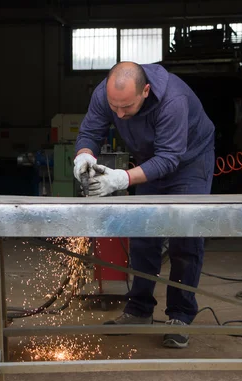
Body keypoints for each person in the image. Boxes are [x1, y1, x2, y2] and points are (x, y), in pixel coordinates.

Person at [73, 61, 215, 349]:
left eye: (126, 107)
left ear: (146, 90)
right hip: (150, 159)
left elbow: (169, 159)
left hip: (188, 162)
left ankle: (180, 315)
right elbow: (91, 131)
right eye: (115, 107)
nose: (120, 114)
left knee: (184, 238)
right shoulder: (107, 94)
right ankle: (139, 310)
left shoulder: (173, 100)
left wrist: (121, 179)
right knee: (142, 236)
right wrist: (84, 155)